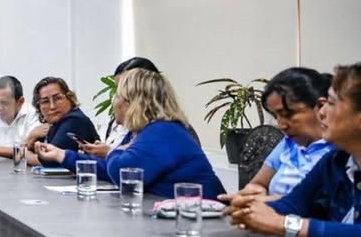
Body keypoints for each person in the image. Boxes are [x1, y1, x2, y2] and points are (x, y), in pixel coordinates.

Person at [221, 63, 361, 237]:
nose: (321, 112)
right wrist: (247, 210)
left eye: (331, 103)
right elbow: (294, 204)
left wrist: (285, 225)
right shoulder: (336, 161)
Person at [36, 69, 225, 198]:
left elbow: (123, 173)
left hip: (204, 221)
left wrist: (112, 152)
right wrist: (62, 155)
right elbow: (107, 168)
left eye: (116, 95)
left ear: (132, 102)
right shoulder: (141, 132)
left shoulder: (163, 131)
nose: (114, 102)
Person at [236, 67, 333, 197]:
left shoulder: (342, 150)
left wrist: (271, 203)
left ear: (321, 106)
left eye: (288, 114)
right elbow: (258, 183)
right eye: (276, 116)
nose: (281, 125)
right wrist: (254, 193)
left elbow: (325, 205)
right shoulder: (290, 143)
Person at [25, 76, 99, 165]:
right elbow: (34, 150)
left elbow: (49, 160)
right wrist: (31, 137)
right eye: (45, 101)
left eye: (57, 98)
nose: (52, 106)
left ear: (69, 98)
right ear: (39, 107)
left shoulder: (75, 120)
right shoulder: (54, 123)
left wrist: (24, 154)